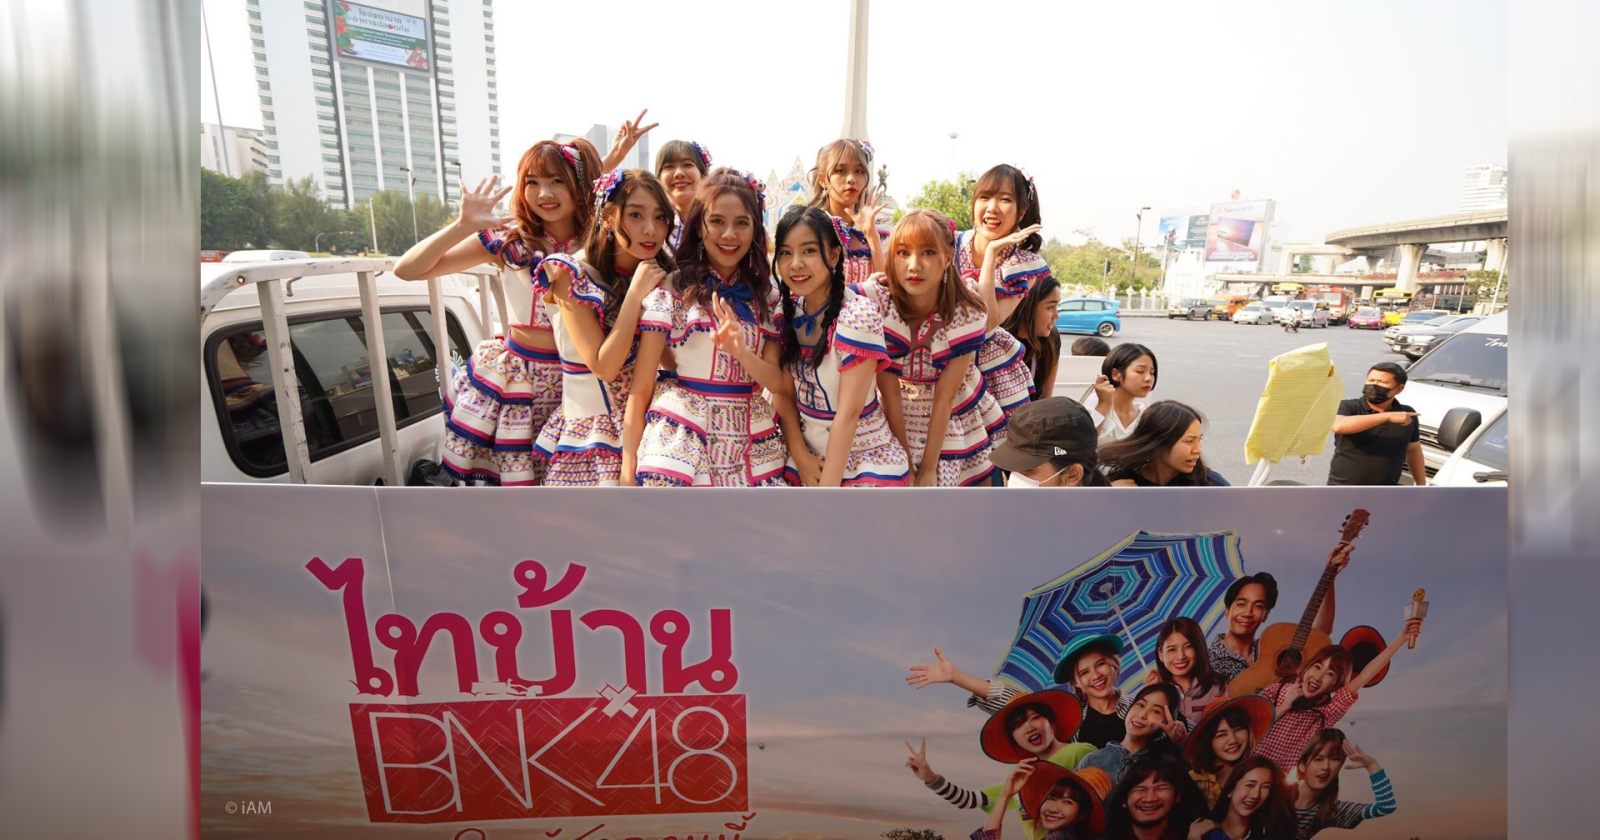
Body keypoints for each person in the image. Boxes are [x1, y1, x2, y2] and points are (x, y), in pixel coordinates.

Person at [395, 139, 602, 485]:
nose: (544, 193)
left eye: (557, 181)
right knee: (517, 490)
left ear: (580, 184)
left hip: (582, 380)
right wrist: (462, 226)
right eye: (532, 182)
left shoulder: (602, 243)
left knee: (573, 489)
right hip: (517, 383)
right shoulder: (508, 240)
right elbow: (407, 269)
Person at [623, 168, 792, 486]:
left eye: (741, 223)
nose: (729, 234)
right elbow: (642, 386)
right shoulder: (672, 289)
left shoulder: (769, 296)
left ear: (755, 230)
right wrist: (627, 468)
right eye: (717, 221)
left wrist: (742, 353)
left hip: (751, 435)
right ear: (699, 227)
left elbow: (779, 383)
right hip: (685, 435)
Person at [529, 169, 672, 485]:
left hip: (650, 430)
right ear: (608, 216)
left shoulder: (660, 275)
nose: (651, 229)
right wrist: (635, 295)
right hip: (591, 436)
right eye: (635, 215)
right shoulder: (571, 273)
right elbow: (605, 367)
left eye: (660, 218)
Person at [866, 209, 1006, 486]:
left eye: (928, 252)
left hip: (950, 416)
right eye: (902, 253)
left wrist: (929, 468)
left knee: (955, 492)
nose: (914, 265)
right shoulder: (877, 305)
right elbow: (889, 393)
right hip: (890, 416)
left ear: (948, 257)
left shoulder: (967, 312)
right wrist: (906, 462)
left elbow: (945, 397)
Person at [771, 206, 908, 486]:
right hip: (806, 456)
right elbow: (783, 394)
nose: (795, 263)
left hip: (861, 459)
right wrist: (801, 456)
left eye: (809, 251)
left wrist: (826, 494)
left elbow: (849, 413)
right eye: (785, 252)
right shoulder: (787, 311)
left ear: (834, 255)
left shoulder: (857, 315)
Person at [1252, 618, 1423, 775]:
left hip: (1272, 782)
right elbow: (1248, 728)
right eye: (1317, 667)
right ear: (1308, 667)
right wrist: (1284, 706)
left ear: (1334, 685)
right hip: (1243, 767)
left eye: (1330, 673)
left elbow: (1364, 676)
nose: (1318, 677)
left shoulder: (1326, 712)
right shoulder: (1276, 690)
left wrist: (1401, 638)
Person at [908, 689, 1095, 821]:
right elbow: (970, 800)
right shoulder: (1021, 777)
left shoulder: (1079, 752)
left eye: (1035, 717)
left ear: (1052, 722)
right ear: (1014, 739)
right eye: (1018, 725)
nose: (1029, 727)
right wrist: (931, 778)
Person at [958, 165, 1053, 419]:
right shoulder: (947, 242)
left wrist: (990, 255)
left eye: (1005, 199)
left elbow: (988, 322)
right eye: (985, 197)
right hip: (935, 356)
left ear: (1021, 212)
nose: (992, 208)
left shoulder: (1024, 264)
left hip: (987, 373)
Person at [1325, 362, 1425, 486]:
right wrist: (1387, 417)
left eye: (1383, 382)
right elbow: (1338, 426)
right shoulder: (1349, 407)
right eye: (1371, 380)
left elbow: (1413, 449)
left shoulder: (1406, 414)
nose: (1374, 385)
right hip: (1344, 488)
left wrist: (1421, 484)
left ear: (1399, 389)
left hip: (1387, 490)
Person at [1079, 683, 1190, 788]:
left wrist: (1183, 744)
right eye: (1140, 705)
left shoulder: (1166, 764)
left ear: (1166, 721)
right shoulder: (1093, 760)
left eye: (1155, 711)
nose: (1142, 715)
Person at [1289, 730, 1395, 839]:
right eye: (1318, 759)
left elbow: (1386, 807)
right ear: (1302, 765)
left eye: (1334, 759)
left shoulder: (1331, 810)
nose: (1326, 767)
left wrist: (1372, 765)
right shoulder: (1280, 795)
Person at [807, 138, 887, 282]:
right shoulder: (808, 228)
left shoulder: (882, 230)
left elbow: (886, 287)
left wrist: (872, 235)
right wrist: (863, 290)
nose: (851, 179)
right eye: (841, 171)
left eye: (859, 171)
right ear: (822, 180)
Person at [970, 761, 1114, 840]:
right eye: (1052, 798)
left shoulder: (1059, 837)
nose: (1053, 808)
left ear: (1082, 814)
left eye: (1068, 802)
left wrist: (1004, 797)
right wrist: (1005, 796)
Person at [988, 397, 1112, 488]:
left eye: (1029, 470)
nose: (1015, 479)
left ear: (1072, 474)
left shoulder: (1110, 516)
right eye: (1012, 468)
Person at [1101, 401, 1231, 487]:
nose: (1197, 449)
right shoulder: (1119, 484)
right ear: (1159, 441)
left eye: (1199, 440)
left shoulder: (1213, 486)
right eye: (1189, 441)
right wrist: (1107, 494)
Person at [1184, 695, 1276, 810]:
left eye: (1238, 730)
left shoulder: (1260, 776)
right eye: (1221, 735)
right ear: (1208, 741)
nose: (1233, 740)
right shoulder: (1194, 780)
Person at [1100, 753, 1208, 840]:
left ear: (1177, 797)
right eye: (1140, 789)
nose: (1149, 798)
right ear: (1124, 799)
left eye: (1161, 788)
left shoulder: (1201, 835)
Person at [1188, 755, 1295, 840]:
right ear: (1231, 789)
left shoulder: (1268, 835)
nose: (1255, 795)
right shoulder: (1201, 830)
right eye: (1250, 785)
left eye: (1265, 787)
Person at [1144, 617, 1226, 726]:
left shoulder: (1217, 688)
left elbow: (1226, 728)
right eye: (1172, 649)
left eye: (1188, 647)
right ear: (1160, 654)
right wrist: (1156, 696)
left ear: (1198, 648)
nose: (1181, 656)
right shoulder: (1152, 692)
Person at [1000, 276, 1063, 400]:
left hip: (1034, 411)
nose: (1057, 315)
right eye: (1050, 307)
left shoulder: (1051, 339)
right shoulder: (998, 340)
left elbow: (1046, 399)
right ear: (1028, 305)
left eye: (1057, 306)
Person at [1083, 343, 1157, 444]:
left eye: (1152, 373)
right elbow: (1084, 444)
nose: (1148, 378)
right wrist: (1103, 404)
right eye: (1140, 371)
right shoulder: (1093, 404)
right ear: (1116, 374)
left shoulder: (1143, 415)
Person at [654, 138, 712, 254]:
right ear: (658, 179)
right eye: (669, 167)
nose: (679, 173)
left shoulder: (716, 218)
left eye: (687, 165)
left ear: (702, 174)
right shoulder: (655, 222)